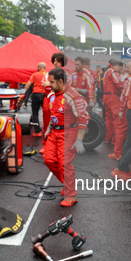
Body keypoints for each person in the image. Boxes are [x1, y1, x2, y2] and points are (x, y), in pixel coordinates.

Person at [43, 68, 89, 207]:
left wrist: (79, 140)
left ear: (60, 81)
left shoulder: (73, 96)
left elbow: (83, 117)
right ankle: (67, 184)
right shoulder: (54, 94)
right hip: (54, 132)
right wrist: (49, 128)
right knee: (49, 159)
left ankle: (71, 194)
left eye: (51, 82)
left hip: (69, 132)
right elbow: (54, 112)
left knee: (64, 163)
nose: (48, 84)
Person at [110, 61, 131, 160]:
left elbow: (125, 95)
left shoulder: (129, 79)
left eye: (128, 67)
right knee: (127, 131)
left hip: (127, 108)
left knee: (120, 129)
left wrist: (121, 109)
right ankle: (126, 154)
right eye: (126, 67)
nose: (126, 69)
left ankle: (118, 153)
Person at [24, 62, 48, 136]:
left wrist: (25, 91)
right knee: (46, 113)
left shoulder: (35, 74)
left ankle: (38, 131)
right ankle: (47, 129)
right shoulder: (48, 75)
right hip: (45, 95)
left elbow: (28, 84)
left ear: (39, 67)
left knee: (35, 113)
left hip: (36, 94)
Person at [102, 59, 123, 145]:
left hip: (106, 96)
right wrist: (127, 84)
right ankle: (115, 139)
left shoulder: (107, 71)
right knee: (116, 119)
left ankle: (108, 138)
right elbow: (118, 84)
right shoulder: (114, 71)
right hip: (113, 96)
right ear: (119, 66)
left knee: (108, 118)